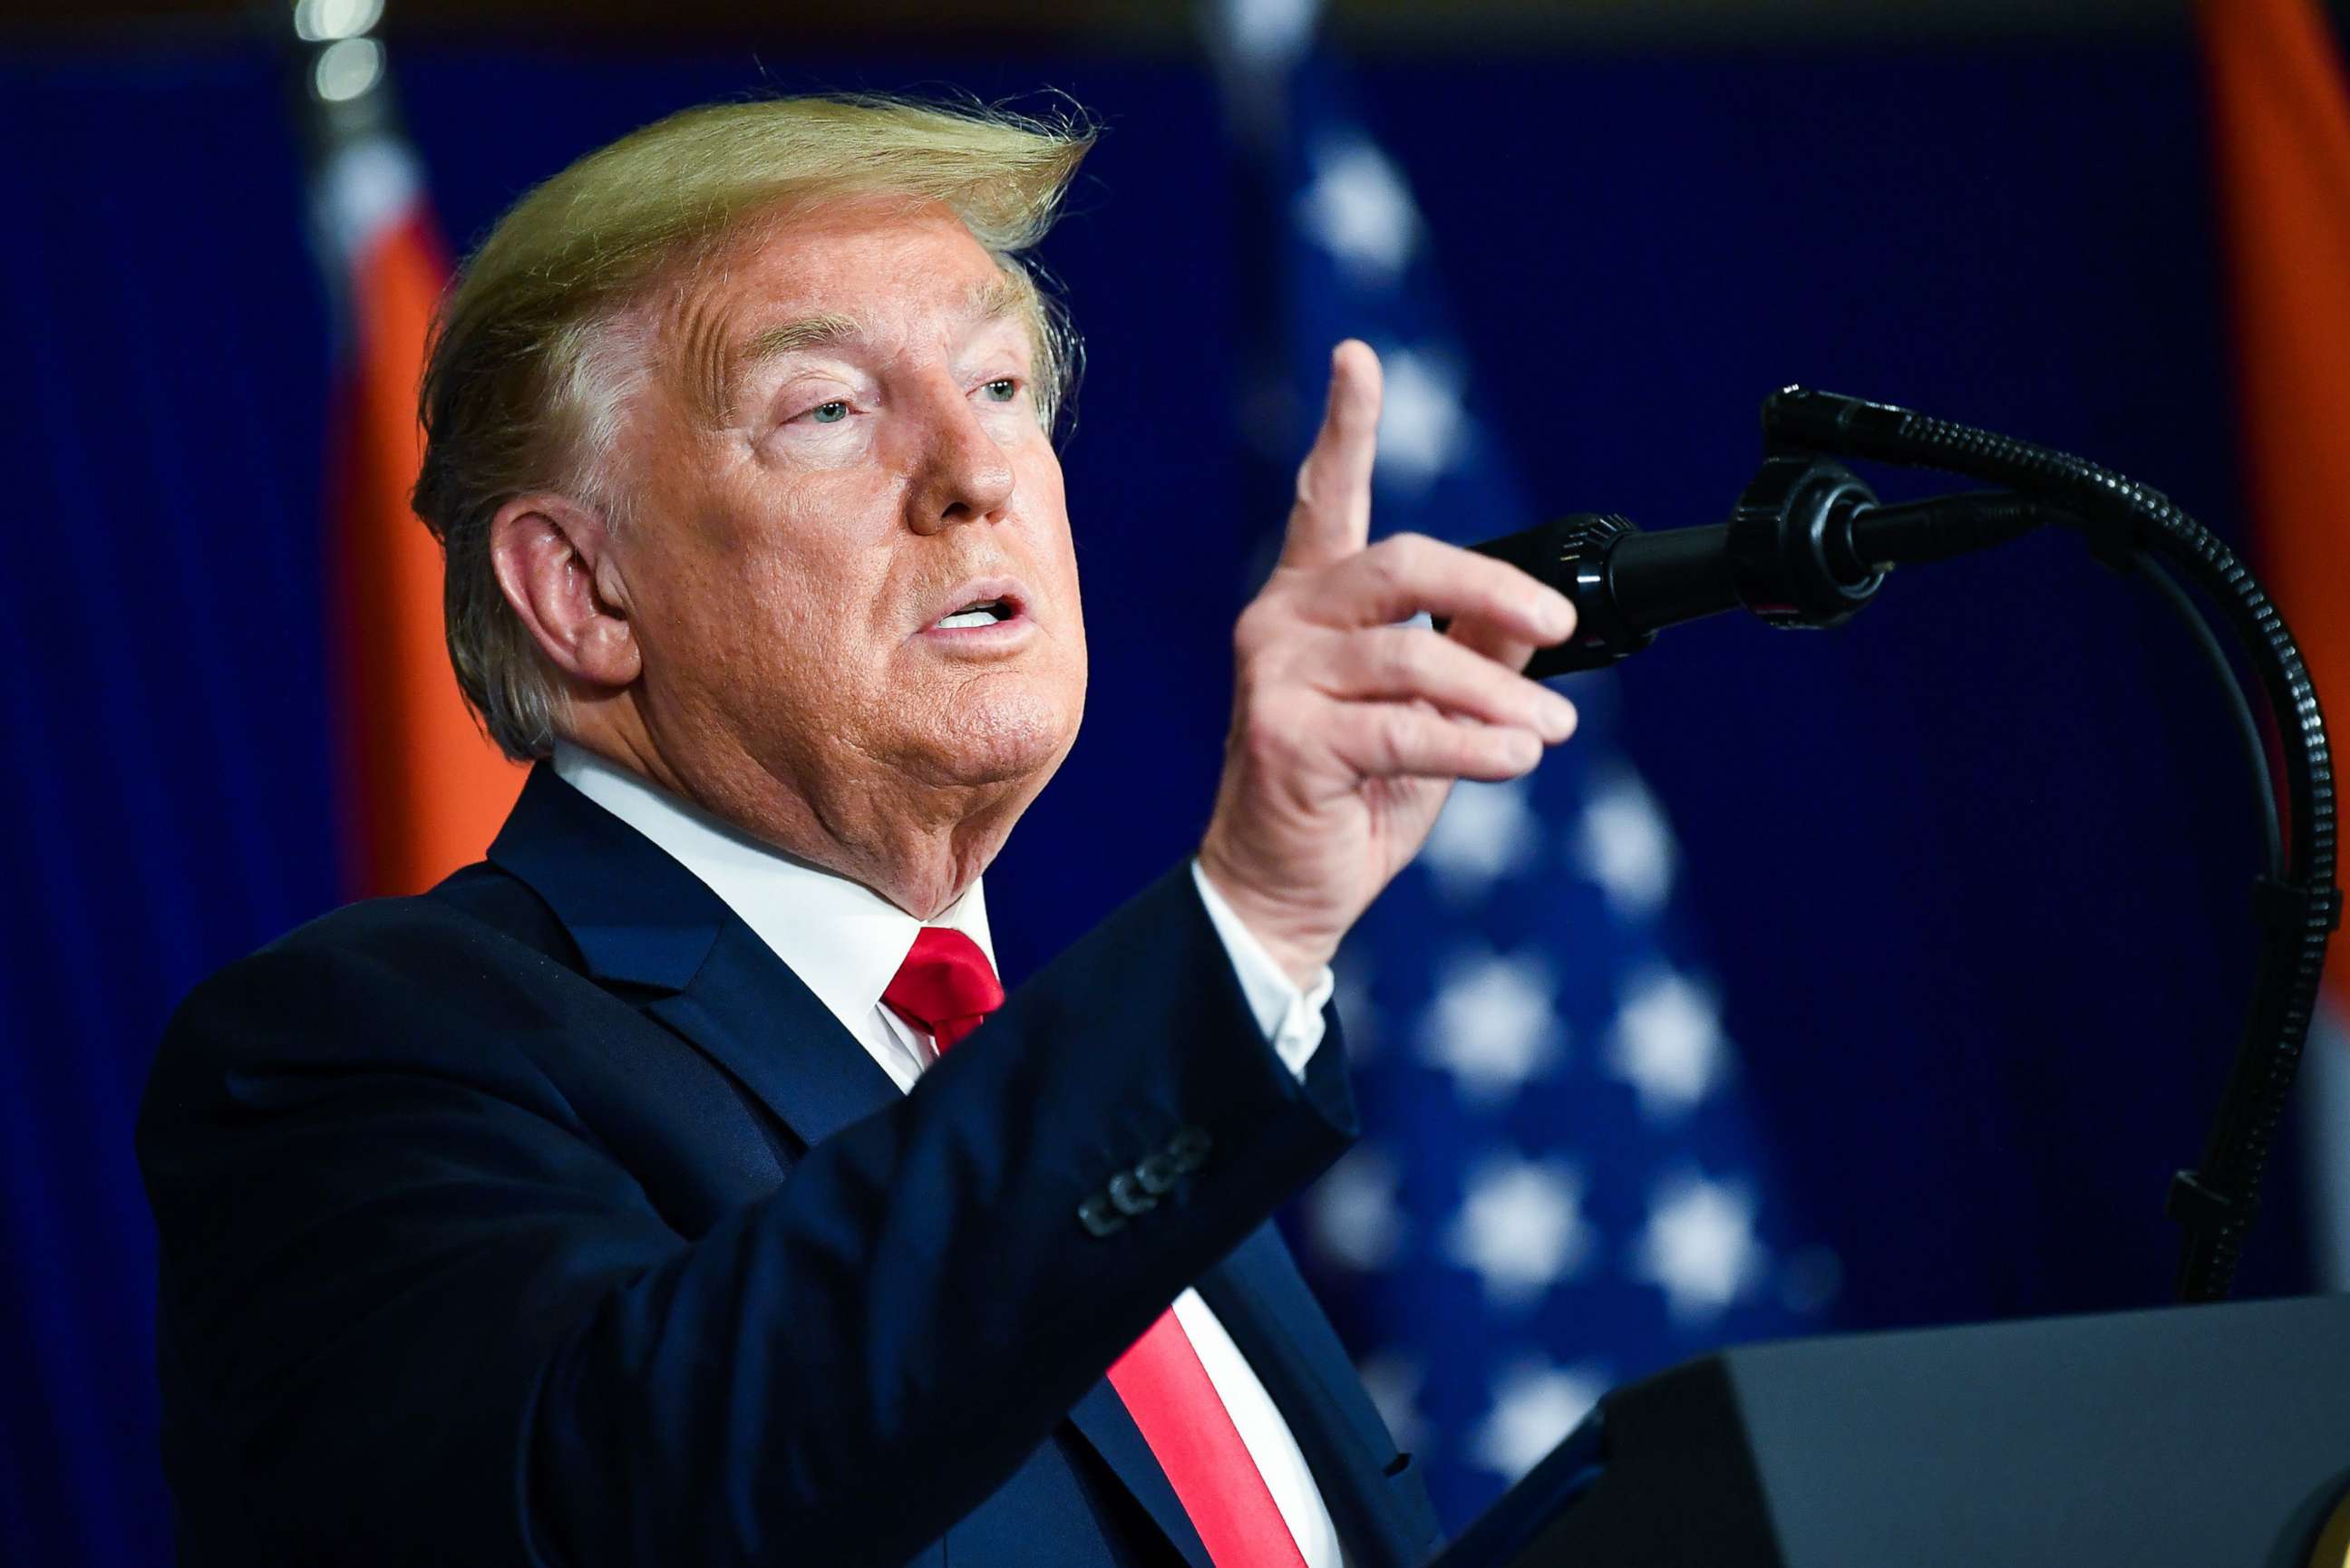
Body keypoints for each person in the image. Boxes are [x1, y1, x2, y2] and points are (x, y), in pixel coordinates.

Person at [138, 94, 1579, 1567]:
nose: (980, 472)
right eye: (830, 409)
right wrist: (1247, 932)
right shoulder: (357, 1052)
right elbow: (634, 1499)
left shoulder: (1100, 1095)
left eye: (1004, 386)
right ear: (582, 589)